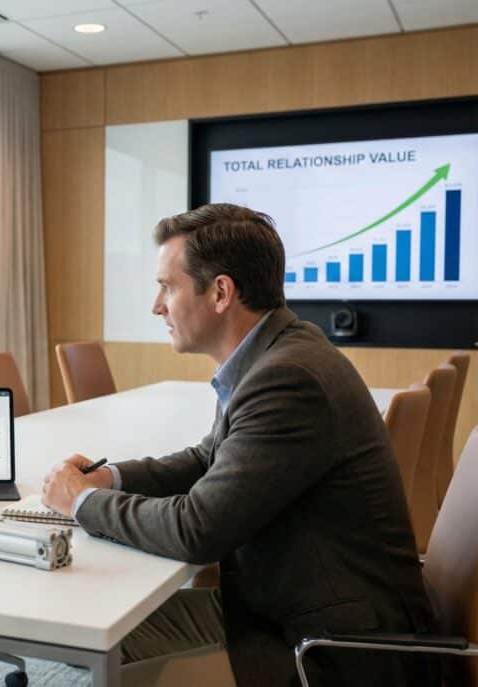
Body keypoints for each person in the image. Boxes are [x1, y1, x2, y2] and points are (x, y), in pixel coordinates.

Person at [41, 204, 437, 686]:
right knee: (87, 636)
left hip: (324, 646)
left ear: (221, 292)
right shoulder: (276, 352)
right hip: (286, 603)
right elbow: (208, 458)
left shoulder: (288, 378)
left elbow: (197, 530)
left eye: (167, 285)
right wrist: (110, 478)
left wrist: (81, 501)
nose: (157, 305)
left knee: (93, 653)